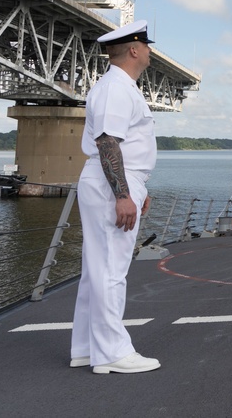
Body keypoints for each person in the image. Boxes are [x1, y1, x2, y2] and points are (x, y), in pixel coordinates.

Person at [71, 20, 161, 374]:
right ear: (135, 49)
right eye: (148, 46)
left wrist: (138, 190)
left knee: (97, 270)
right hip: (111, 185)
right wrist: (123, 194)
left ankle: (85, 348)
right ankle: (112, 353)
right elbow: (108, 142)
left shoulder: (119, 87)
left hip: (117, 181)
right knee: (110, 270)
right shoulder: (117, 88)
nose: (151, 51)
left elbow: (123, 146)